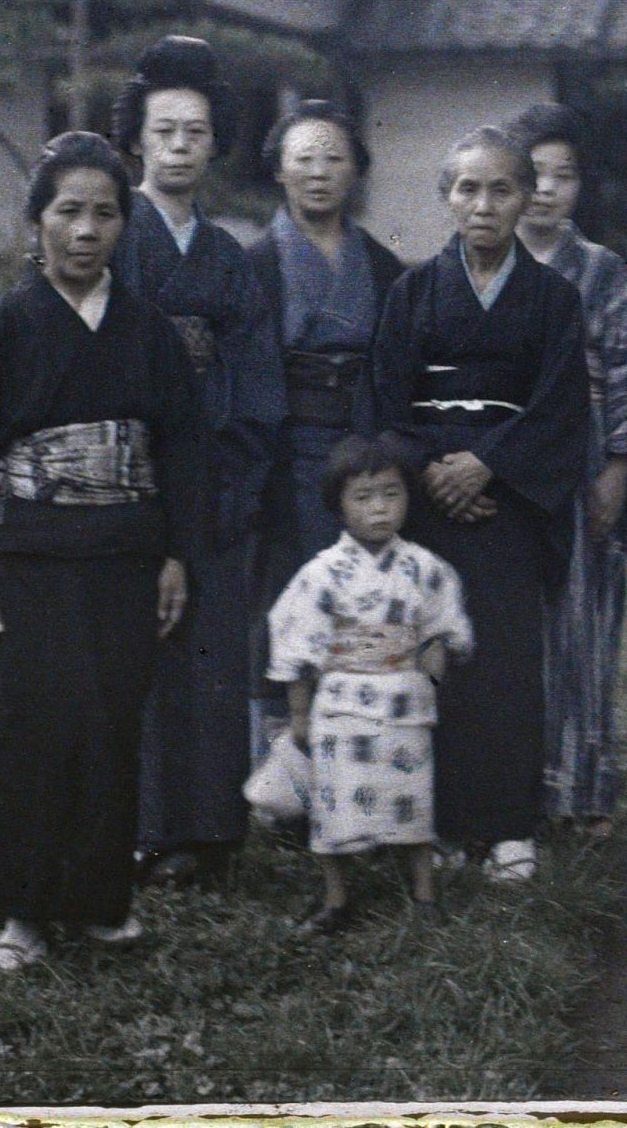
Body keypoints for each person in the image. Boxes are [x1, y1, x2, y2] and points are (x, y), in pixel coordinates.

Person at [0, 133, 205, 972]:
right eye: (68, 211)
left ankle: (98, 902)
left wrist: (176, 555)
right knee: (23, 729)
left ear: (122, 226)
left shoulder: (148, 333)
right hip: (24, 558)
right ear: (37, 223)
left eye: (104, 212)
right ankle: (19, 910)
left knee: (109, 725)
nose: (86, 229)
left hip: (126, 555)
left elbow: (182, 450)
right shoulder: (1, 329)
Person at [370, 127, 590, 883]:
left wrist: (489, 464)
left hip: (507, 500)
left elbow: (561, 407)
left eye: (501, 188)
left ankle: (504, 826)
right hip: (432, 497)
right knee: (430, 658)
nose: (484, 204)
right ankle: (430, 821)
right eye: (468, 188)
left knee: (502, 660)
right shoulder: (412, 292)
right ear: (447, 197)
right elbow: (386, 401)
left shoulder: (555, 298)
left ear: (527, 198)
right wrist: (436, 470)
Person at [108, 35, 286, 890]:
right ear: (136, 140)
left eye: (197, 132)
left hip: (211, 481)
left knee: (211, 654)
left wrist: (233, 482)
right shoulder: (110, 235)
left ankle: (208, 832)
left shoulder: (227, 257)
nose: (180, 146)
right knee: (133, 654)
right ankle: (136, 829)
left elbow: (254, 378)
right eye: (165, 130)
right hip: (124, 480)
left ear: (216, 145)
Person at [249, 101, 405, 766]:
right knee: (284, 596)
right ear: (279, 171)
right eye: (303, 158)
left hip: (361, 444)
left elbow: (397, 364)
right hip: (283, 451)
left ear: (356, 172)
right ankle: (281, 769)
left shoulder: (383, 265)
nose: (319, 172)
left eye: (335, 157)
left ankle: (360, 758)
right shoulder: (254, 263)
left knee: (364, 594)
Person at [266, 434, 474, 932]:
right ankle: (337, 899)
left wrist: (433, 669)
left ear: (408, 498)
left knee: (413, 802)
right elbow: (296, 645)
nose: (379, 509)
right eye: (363, 498)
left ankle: (424, 898)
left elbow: (444, 630)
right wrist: (299, 714)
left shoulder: (425, 568)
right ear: (338, 507)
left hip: (405, 703)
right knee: (334, 806)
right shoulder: (321, 574)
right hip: (340, 707)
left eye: (391, 494)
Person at [509, 103, 627, 834]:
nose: (549, 191)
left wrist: (619, 462)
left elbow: (623, 372)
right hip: (508, 457)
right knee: (518, 626)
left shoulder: (602, 269)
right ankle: (520, 787)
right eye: (535, 176)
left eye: (564, 176)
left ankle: (585, 791)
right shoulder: (483, 260)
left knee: (586, 625)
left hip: (585, 454)